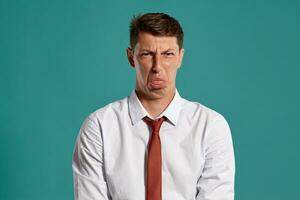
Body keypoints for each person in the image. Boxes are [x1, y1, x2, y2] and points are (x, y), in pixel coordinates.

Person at [72, 12, 235, 200]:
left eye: (168, 54)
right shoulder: (99, 127)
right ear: (131, 57)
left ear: (180, 57)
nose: (157, 66)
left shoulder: (211, 126)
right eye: (147, 54)